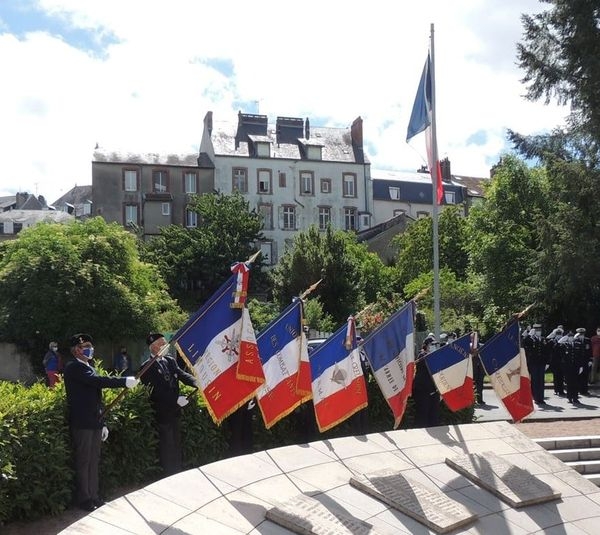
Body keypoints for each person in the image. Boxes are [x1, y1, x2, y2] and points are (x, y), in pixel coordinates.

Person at [63, 333, 139, 511]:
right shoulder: (74, 367)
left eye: (90, 345)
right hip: (82, 422)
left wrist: (102, 422)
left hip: (95, 421)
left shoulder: (88, 367)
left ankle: (94, 496)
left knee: (93, 460)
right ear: (76, 350)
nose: (90, 349)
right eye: (85, 346)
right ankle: (84, 498)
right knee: (84, 461)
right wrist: (123, 381)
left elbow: (97, 398)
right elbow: (97, 382)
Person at [140, 333, 198, 476]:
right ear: (153, 346)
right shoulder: (147, 367)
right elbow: (155, 392)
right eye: (162, 343)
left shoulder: (169, 361)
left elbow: (181, 375)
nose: (165, 346)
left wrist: (197, 382)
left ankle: (177, 471)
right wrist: (175, 399)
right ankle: (169, 473)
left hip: (175, 411)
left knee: (176, 442)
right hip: (162, 412)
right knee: (167, 444)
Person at [412, 335, 440, 427]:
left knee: (434, 415)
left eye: (435, 344)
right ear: (426, 345)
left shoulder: (435, 356)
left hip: (433, 390)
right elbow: (427, 361)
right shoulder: (422, 355)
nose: (434, 346)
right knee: (422, 415)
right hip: (422, 390)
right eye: (432, 344)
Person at [522, 323, 547, 406]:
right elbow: (524, 342)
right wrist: (529, 335)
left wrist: (547, 362)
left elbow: (546, 351)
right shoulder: (530, 339)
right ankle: (536, 397)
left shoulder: (543, 339)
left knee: (541, 381)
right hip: (533, 363)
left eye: (540, 330)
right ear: (534, 331)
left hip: (541, 363)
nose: (539, 332)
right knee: (535, 380)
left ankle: (541, 398)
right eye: (537, 330)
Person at [547, 325, 565, 396]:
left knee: (561, 376)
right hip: (555, 361)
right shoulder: (552, 341)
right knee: (556, 376)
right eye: (557, 334)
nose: (558, 335)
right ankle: (556, 390)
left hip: (562, 361)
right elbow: (548, 346)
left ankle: (561, 390)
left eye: (560, 334)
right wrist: (552, 336)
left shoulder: (563, 341)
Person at [573, 327, 591, 397]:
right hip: (578, 361)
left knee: (585, 375)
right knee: (579, 376)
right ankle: (579, 390)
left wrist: (590, 360)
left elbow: (590, 350)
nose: (581, 335)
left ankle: (585, 390)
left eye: (582, 333)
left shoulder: (587, 340)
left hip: (586, 360)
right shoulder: (576, 340)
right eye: (580, 334)